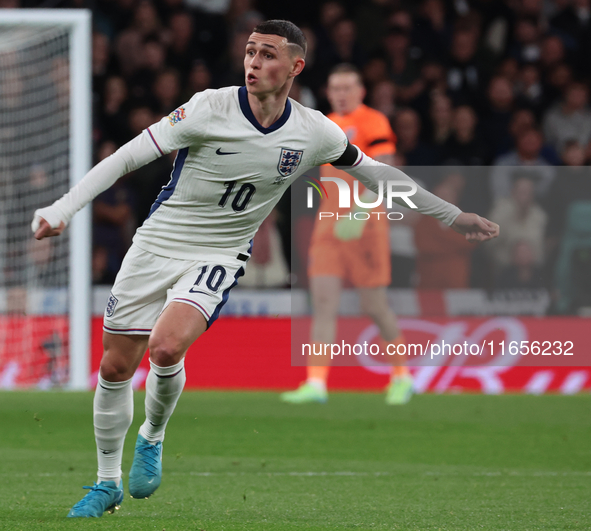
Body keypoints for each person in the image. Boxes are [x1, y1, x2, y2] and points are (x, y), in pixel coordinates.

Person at [32, 20, 499, 518]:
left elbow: (381, 174)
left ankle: (152, 434)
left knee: (167, 347)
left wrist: (452, 216)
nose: (254, 63)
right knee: (114, 367)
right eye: (250, 52)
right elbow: (126, 158)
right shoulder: (207, 107)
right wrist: (63, 209)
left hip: (218, 254)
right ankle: (106, 482)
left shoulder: (314, 131)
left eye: (268, 55)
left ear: (295, 66)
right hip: (155, 245)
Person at [280, 63, 413, 406]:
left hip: (365, 225)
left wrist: (361, 210)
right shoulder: (325, 124)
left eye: (347, 88)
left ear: (361, 91)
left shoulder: (374, 121)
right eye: (335, 88)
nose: (341, 94)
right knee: (323, 303)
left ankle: (401, 375)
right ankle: (316, 383)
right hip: (329, 224)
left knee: (373, 305)